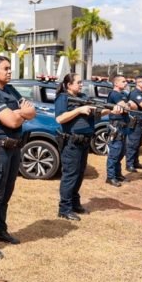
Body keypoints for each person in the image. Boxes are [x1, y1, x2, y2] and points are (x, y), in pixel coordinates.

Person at [0, 56, 36, 259]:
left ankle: (0, 230)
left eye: (10, 68)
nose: (10, 72)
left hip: (13, 149)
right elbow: (11, 121)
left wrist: (21, 112)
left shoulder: (9, 90)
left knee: (6, 193)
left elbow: (32, 111)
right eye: (6, 68)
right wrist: (22, 113)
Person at [55, 73, 115, 220]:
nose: (81, 85)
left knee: (80, 174)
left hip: (84, 141)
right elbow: (60, 118)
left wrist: (113, 109)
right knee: (70, 175)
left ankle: (75, 204)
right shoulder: (63, 97)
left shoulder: (83, 97)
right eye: (78, 82)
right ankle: (64, 208)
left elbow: (98, 113)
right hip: (72, 142)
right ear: (69, 85)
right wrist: (78, 110)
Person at [104, 75, 130, 187]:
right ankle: (110, 177)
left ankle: (118, 174)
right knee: (114, 152)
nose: (126, 83)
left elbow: (129, 106)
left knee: (121, 152)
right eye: (123, 81)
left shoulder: (122, 95)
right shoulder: (114, 94)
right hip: (116, 126)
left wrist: (128, 105)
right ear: (116, 83)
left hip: (123, 126)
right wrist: (128, 105)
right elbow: (128, 107)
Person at [125, 75, 142, 172]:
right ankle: (129, 164)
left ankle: (135, 162)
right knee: (132, 143)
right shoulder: (135, 93)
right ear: (138, 82)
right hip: (135, 121)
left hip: (141, 121)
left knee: (138, 144)